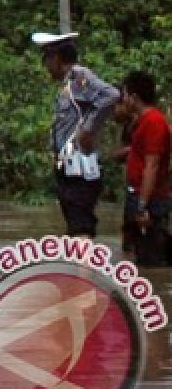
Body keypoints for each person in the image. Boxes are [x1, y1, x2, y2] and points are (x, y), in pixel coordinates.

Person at [32, 31, 119, 238]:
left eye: (46, 58)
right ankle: (80, 268)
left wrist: (88, 129)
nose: (45, 65)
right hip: (69, 168)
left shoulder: (79, 76)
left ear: (56, 57)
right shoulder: (69, 84)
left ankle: (84, 269)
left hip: (79, 168)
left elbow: (111, 95)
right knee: (75, 227)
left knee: (81, 229)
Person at [118, 71, 171, 265]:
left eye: (124, 94)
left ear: (134, 98)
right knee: (138, 255)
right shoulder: (142, 122)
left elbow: (152, 166)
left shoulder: (153, 122)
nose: (122, 99)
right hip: (141, 194)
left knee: (152, 260)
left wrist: (142, 206)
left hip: (150, 199)